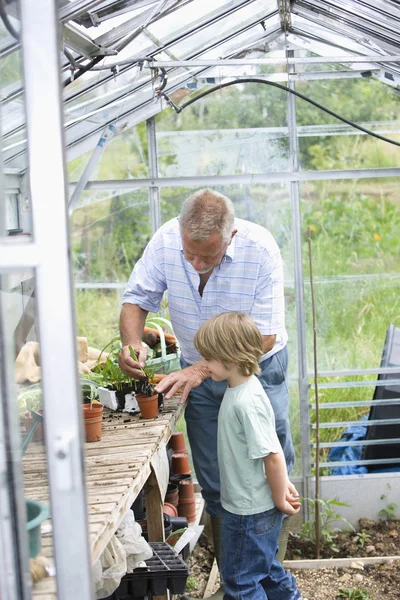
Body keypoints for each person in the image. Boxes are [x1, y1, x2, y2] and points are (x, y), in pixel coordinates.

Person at [119, 188, 295, 599]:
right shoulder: (165, 241)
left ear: (230, 238)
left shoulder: (260, 249)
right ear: (180, 232)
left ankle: (259, 570)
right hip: (200, 372)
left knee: (270, 468)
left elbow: (265, 336)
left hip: (255, 367)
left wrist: (202, 367)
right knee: (215, 477)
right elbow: (136, 299)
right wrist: (130, 343)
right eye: (189, 254)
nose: (196, 263)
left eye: (208, 257)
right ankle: (239, 568)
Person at [194, 311, 302, 600]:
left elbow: (272, 456)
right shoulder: (240, 389)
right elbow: (270, 446)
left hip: (250, 512)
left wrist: (280, 497)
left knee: (240, 580)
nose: (204, 365)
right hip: (249, 505)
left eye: (209, 358)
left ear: (231, 358)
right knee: (265, 568)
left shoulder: (247, 401)